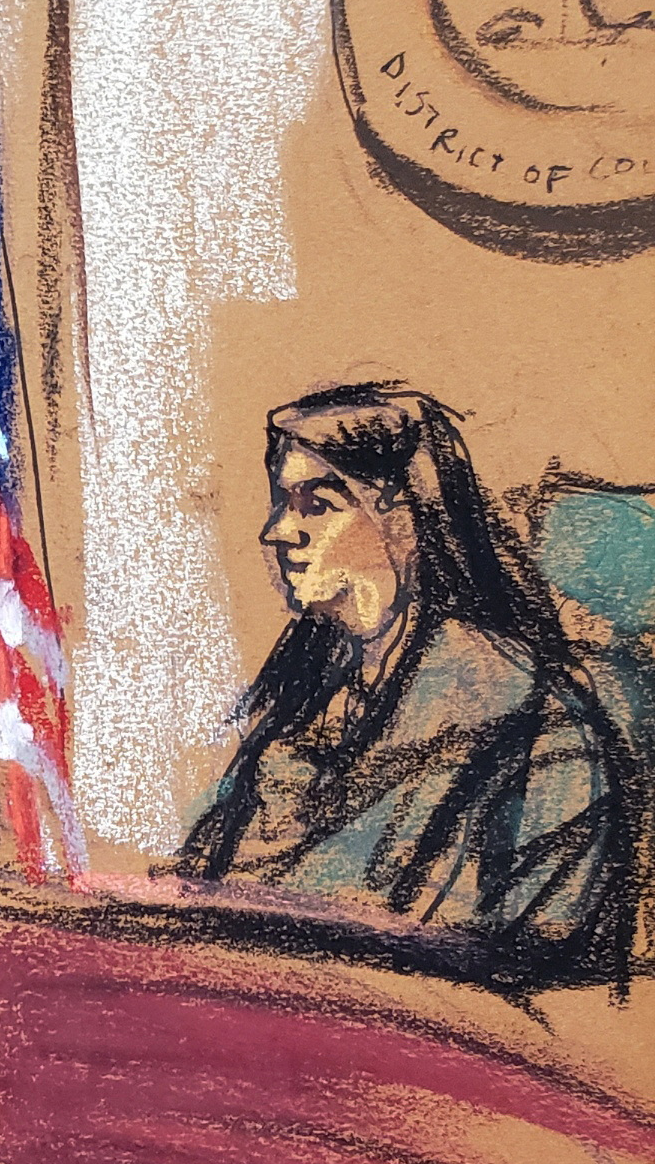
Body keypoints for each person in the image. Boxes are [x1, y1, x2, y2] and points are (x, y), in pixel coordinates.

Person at [175, 384, 637, 987]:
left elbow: (530, 965)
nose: (276, 532)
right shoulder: (298, 698)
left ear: (406, 521)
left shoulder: (533, 722)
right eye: (282, 503)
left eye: (317, 505)